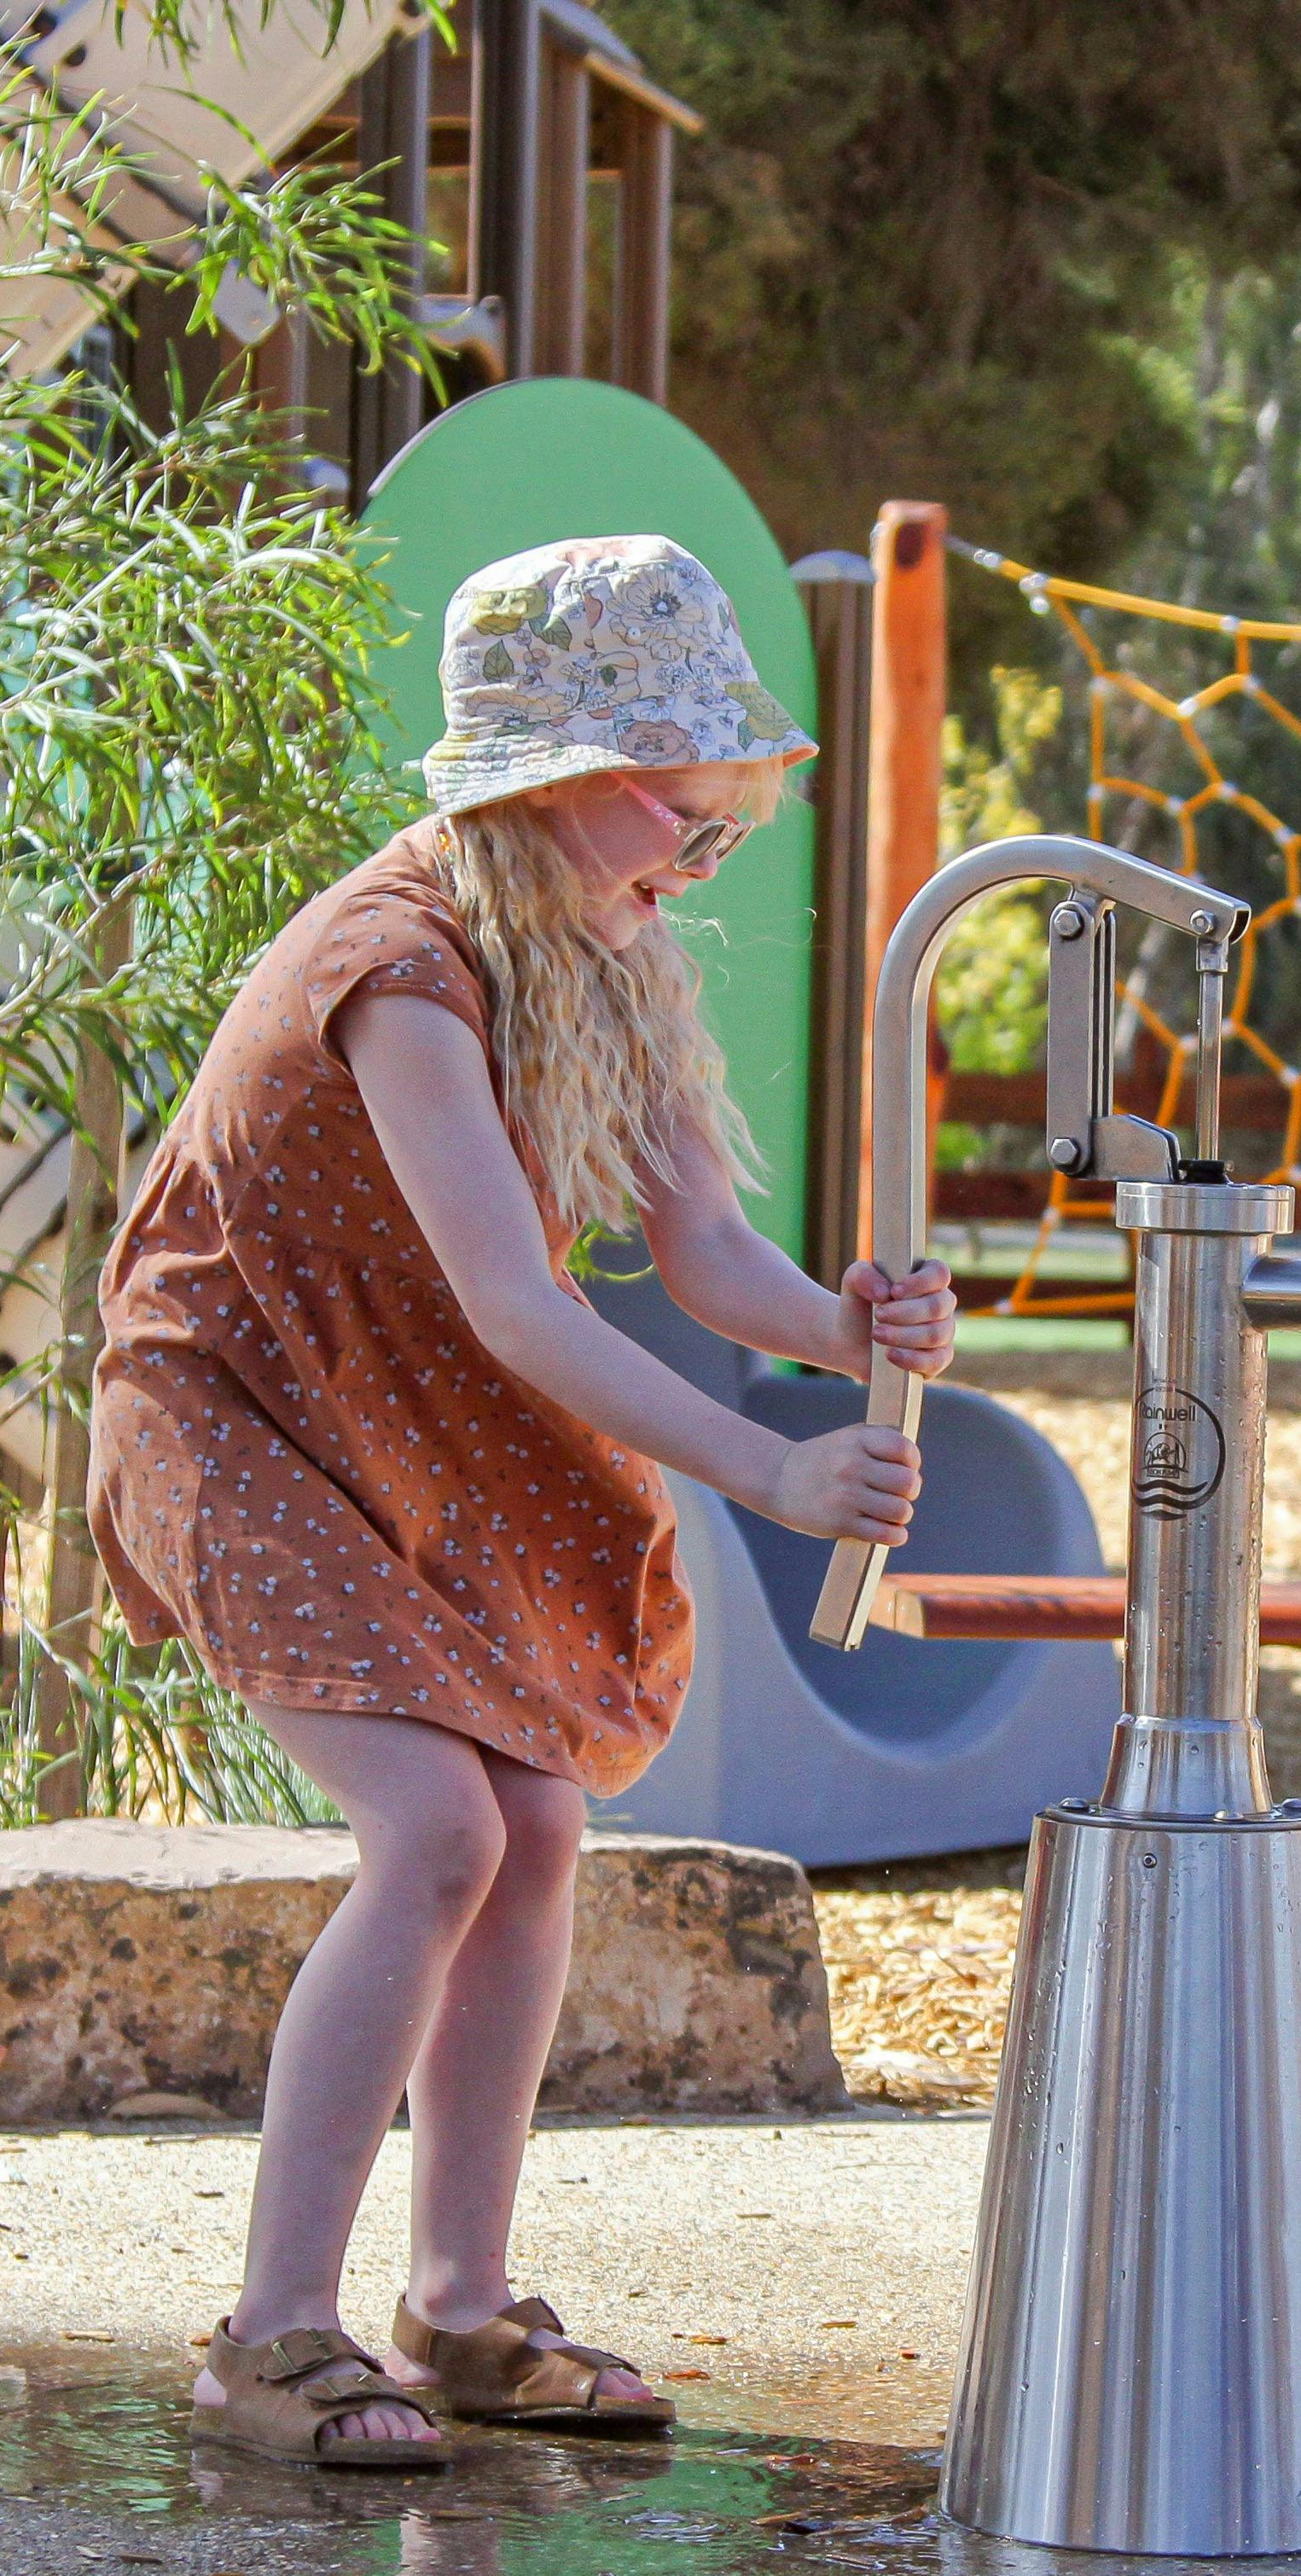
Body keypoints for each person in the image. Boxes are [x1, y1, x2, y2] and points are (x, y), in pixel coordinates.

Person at [89, 536, 955, 2469]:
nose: (701, 849)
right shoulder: (400, 971)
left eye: (724, 817)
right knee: (431, 1832)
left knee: (538, 1824)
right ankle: (273, 2332)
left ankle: (460, 2311)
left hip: (394, 1408)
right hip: (239, 1408)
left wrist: (837, 1325)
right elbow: (512, 1296)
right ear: (537, 778)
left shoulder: (607, 954)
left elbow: (706, 1247)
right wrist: (769, 1470)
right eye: (677, 803)